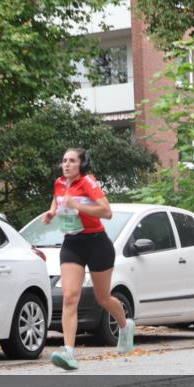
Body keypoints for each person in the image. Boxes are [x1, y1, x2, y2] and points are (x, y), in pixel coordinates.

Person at [42, 147, 134, 371]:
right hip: (72, 244)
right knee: (70, 296)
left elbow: (107, 211)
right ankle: (69, 353)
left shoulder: (88, 182)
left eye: (72, 161)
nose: (66, 164)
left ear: (81, 164)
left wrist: (78, 206)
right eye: (64, 160)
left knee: (103, 298)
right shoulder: (59, 183)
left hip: (97, 243)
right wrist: (52, 212)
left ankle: (124, 325)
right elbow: (58, 200)